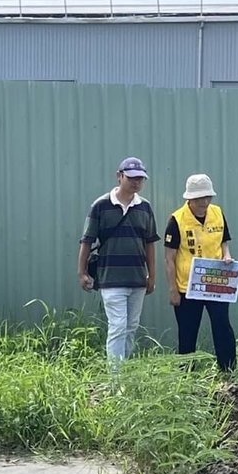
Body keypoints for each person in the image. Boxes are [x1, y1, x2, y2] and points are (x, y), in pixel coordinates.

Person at [77, 157, 160, 366]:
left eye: (140, 178)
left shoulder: (145, 207)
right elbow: (86, 241)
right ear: (119, 176)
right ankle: (116, 379)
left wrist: (152, 276)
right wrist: (82, 272)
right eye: (131, 178)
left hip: (137, 278)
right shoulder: (101, 205)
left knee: (131, 326)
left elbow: (150, 243)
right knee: (118, 326)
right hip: (111, 278)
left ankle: (124, 371)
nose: (136, 182)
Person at [164, 173, 237, 372]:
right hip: (187, 287)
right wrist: (173, 290)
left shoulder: (217, 213)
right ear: (189, 198)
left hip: (216, 282)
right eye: (199, 199)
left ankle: (228, 371)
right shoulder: (177, 220)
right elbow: (169, 258)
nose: (204, 202)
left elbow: (224, 241)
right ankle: (186, 374)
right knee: (187, 332)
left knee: (222, 326)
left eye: (208, 197)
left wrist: (226, 256)